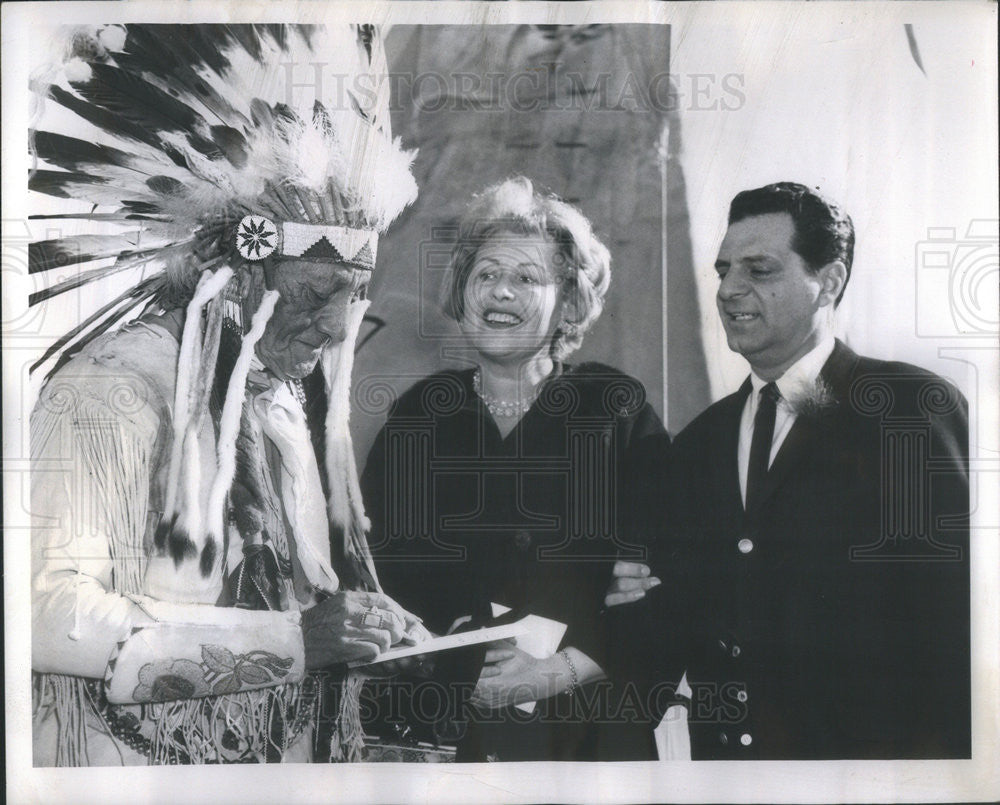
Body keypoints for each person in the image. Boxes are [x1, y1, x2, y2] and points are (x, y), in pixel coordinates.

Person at [29, 23, 428, 765]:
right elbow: (46, 613)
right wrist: (293, 642)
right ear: (238, 278)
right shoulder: (109, 391)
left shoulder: (270, 398)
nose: (338, 328)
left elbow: (291, 593)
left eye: (356, 295)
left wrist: (362, 624)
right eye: (314, 293)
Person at [607, 181, 971, 759]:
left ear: (828, 282)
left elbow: (956, 621)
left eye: (760, 269)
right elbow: (672, 622)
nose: (729, 289)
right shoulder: (700, 442)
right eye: (724, 270)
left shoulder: (906, 405)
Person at [361, 177, 669, 761]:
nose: (500, 293)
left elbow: (666, 579)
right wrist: (449, 656)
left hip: (584, 734)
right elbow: (383, 579)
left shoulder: (615, 408)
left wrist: (561, 669)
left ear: (569, 302)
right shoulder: (419, 416)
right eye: (486, 275)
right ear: (461, 291)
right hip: (444, 732)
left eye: (527, 278)